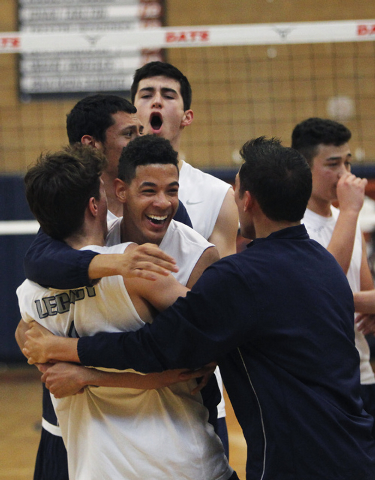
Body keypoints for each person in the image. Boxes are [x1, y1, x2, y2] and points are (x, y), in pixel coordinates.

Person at [23, 137, 375, 480]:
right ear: (108, 196)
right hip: (352, 447)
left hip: (293, 459)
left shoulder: (227, 273)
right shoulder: (324, 264)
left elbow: (166, 351)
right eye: (148, 190)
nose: (162, 202)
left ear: (247, 200)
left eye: (172, 190)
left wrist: (68, 354)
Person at [17, 141, 235, 480]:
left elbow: (200, 348)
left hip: (96, 468)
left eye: (171, 190)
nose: (163, 202)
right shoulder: (137, 267)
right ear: (99, 203)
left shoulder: (28, 298)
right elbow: (201, 341)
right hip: (178, 463)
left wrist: (79, 365)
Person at [16, 95, 180, 480]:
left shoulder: (29, 290)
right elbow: (191, 352)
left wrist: (64, 353)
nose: (163, 201)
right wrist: (114, 263)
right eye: (129, 133)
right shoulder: (117, 257)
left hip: (150, 430)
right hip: (98, 440)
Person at [131, 61, 239, 452]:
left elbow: (219, 294)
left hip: (197, 382)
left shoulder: (217, 195)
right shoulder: (111, 192)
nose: (156, 101)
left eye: (167, 95)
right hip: (125, 387)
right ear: (134, 112)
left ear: (186, 115)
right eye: (146, 94)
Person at [291, 117, 375, 433]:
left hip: (362, 372)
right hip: (319, 382)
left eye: (348, 162)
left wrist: (353, 302)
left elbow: (366, 294)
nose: (345, 174)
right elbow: (322, 285)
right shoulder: (293, 226)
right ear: (303, 166)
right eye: (333, 164)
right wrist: (352, 211)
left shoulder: (345, 218)